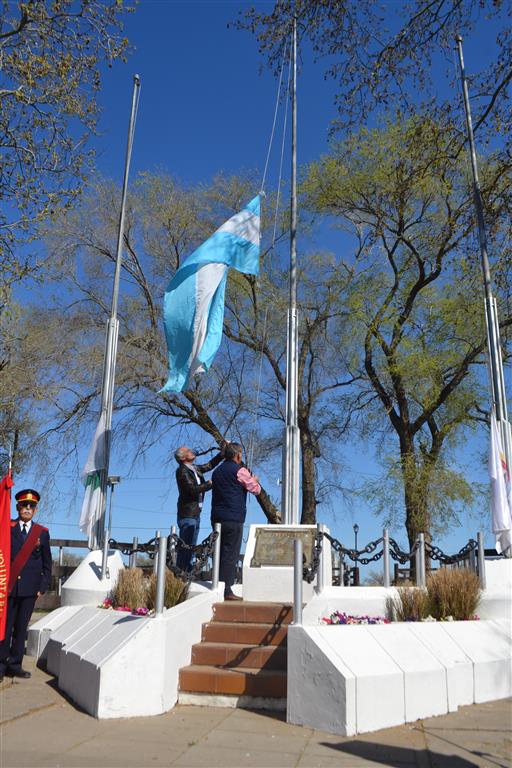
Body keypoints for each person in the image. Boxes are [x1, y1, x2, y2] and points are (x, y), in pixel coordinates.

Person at [0, 489, 52, 681]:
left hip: (30, 589)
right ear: (17, 507)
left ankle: (15, 665)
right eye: (24, 505)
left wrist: (43, 586)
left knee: (21, 628)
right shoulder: (6, 528)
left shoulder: (42, 533)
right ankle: (1, 665)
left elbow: (47, 563)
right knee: (5, 628)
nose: (27, 508)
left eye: (31, 506)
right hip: (9, 587)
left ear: (35, 510)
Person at [211, 442, 261, 601]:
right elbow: (256, 489)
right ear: (238, 455)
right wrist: (254, 480)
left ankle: (216, 585)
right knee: (230, 554)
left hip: (217, 516)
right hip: (233, 517)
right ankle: (227, 589)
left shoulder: (216, 471)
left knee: (218, 552)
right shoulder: (240, 470)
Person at [174, 445, 224, 571]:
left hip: (196, 513)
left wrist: (222, 454)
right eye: (188, 451)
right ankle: (181, 572)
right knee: (186, 545)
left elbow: (209, 465)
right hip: (187, 514)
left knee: (191, 545)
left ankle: (187, 572)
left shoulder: (194, 469)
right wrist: (208, 484)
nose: (192, 452)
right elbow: (191, 490)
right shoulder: (182, 471)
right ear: (183, 457)